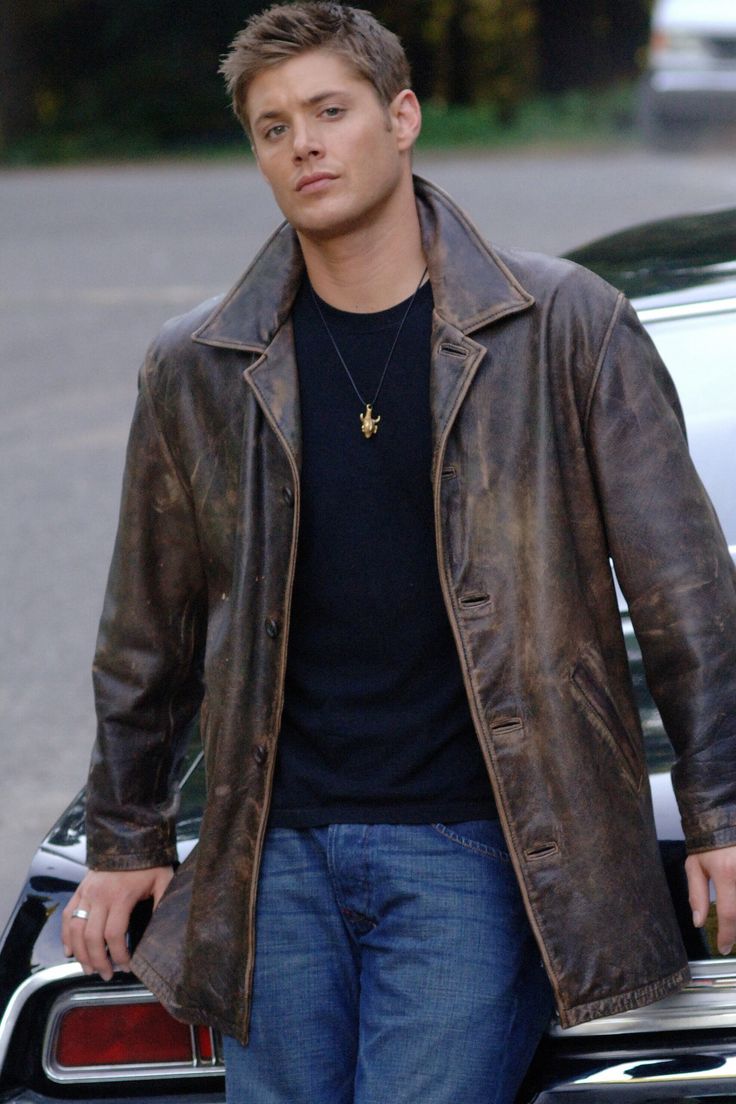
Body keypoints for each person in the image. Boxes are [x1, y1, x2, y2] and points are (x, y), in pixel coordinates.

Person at [62, 4, 736, 1102]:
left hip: (473, 850)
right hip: (269, 860)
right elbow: (147, 627)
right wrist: (125, 833)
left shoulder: (564, 326)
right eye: (272, 128)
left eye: (330, 111)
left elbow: (686, 600)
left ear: (402, 116)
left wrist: (722, 814)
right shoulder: (197, 365)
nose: (304, 146)